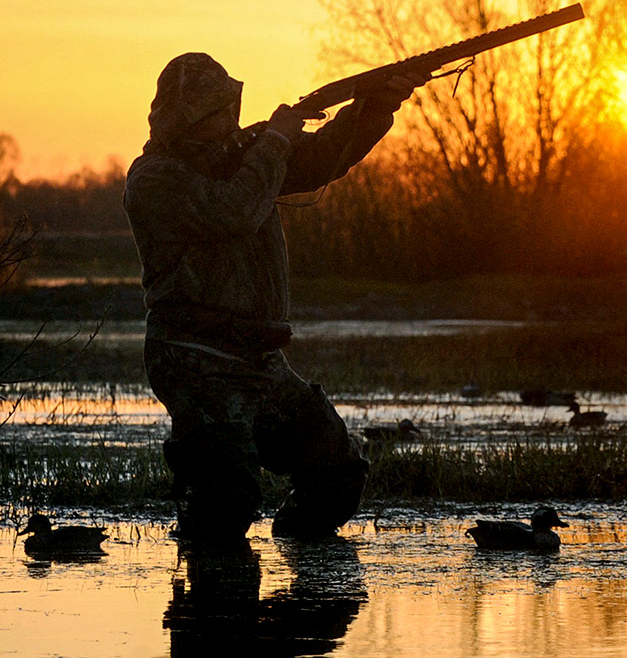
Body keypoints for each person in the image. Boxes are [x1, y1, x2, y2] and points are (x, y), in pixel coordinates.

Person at [124, 52, 427, 540]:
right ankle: (207, 574)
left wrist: (375, 106)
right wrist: (276, 141)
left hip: (261, 358)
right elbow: (233, 211)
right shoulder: (155, 179)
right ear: (185, 118)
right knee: (226, 505)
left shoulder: (245, 157)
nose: (229, 120)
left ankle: (300, 571)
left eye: (230, 108)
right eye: (215, 112)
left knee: (338, 474)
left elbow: (324, 156)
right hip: (195, 358)